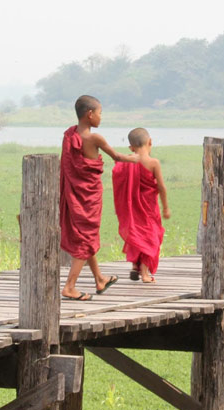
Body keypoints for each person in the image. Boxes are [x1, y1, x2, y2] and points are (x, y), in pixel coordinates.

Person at [60, 95, 139, 301]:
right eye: (100, 113)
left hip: (76, 193)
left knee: (87, 236)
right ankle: (70, 286)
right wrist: (138, 158)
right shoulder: (95, 138)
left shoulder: (70, 134)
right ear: (90, 114)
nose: (101, 117)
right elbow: (117, 157)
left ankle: (99, 279)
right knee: (86, 238)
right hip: (88, 196)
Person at [112, 127, 170, 283]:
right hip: (149, 208)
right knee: (151, 236)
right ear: (150, 142)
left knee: (136, 233)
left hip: (133, 208)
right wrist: (166, 207)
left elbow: (119, 178)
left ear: (131, 147)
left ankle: (135, 266)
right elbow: (162, 187)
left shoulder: (127, 161)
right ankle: (145, 273)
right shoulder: (153, 162)